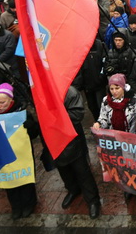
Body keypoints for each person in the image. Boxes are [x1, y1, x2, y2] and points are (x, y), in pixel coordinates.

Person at [49, 86, 101, 219]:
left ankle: (93, 200)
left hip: (71, 136)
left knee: (81, 169)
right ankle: (73, 189)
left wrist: (55, 116)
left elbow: (77, 114)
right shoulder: (42, 89)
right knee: (62, 167)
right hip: (52, 136)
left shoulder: (69, 91)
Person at [0, 84, 38, 220]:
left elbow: (34, 134)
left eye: (2, 102)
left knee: (25, 180)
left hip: (22, 154)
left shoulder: (22, 112)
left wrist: (31, 126)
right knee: (9, 181)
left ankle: (30, 203)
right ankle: (16, 206)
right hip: (4, 155)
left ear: (11, 101)